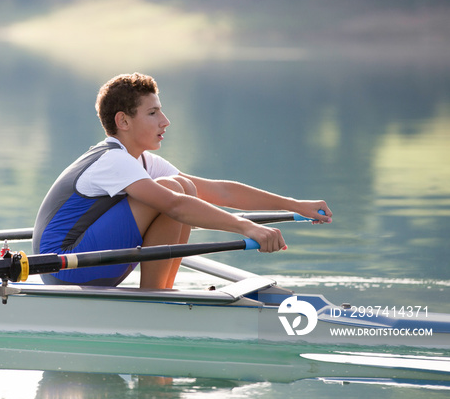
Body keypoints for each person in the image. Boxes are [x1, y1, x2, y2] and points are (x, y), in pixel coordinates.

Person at [32, 73, 332, 289]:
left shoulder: (142, 161)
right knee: (174, 191)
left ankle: (160, 290)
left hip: (96, 263)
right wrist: (248, 227)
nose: (166, 121)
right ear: (123, 121)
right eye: (153, 113)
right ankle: (154, 297)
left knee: (183, 185)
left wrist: (295, 204)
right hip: (65, 267)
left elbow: (220, 191)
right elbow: (174, 205)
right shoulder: (112, 160)